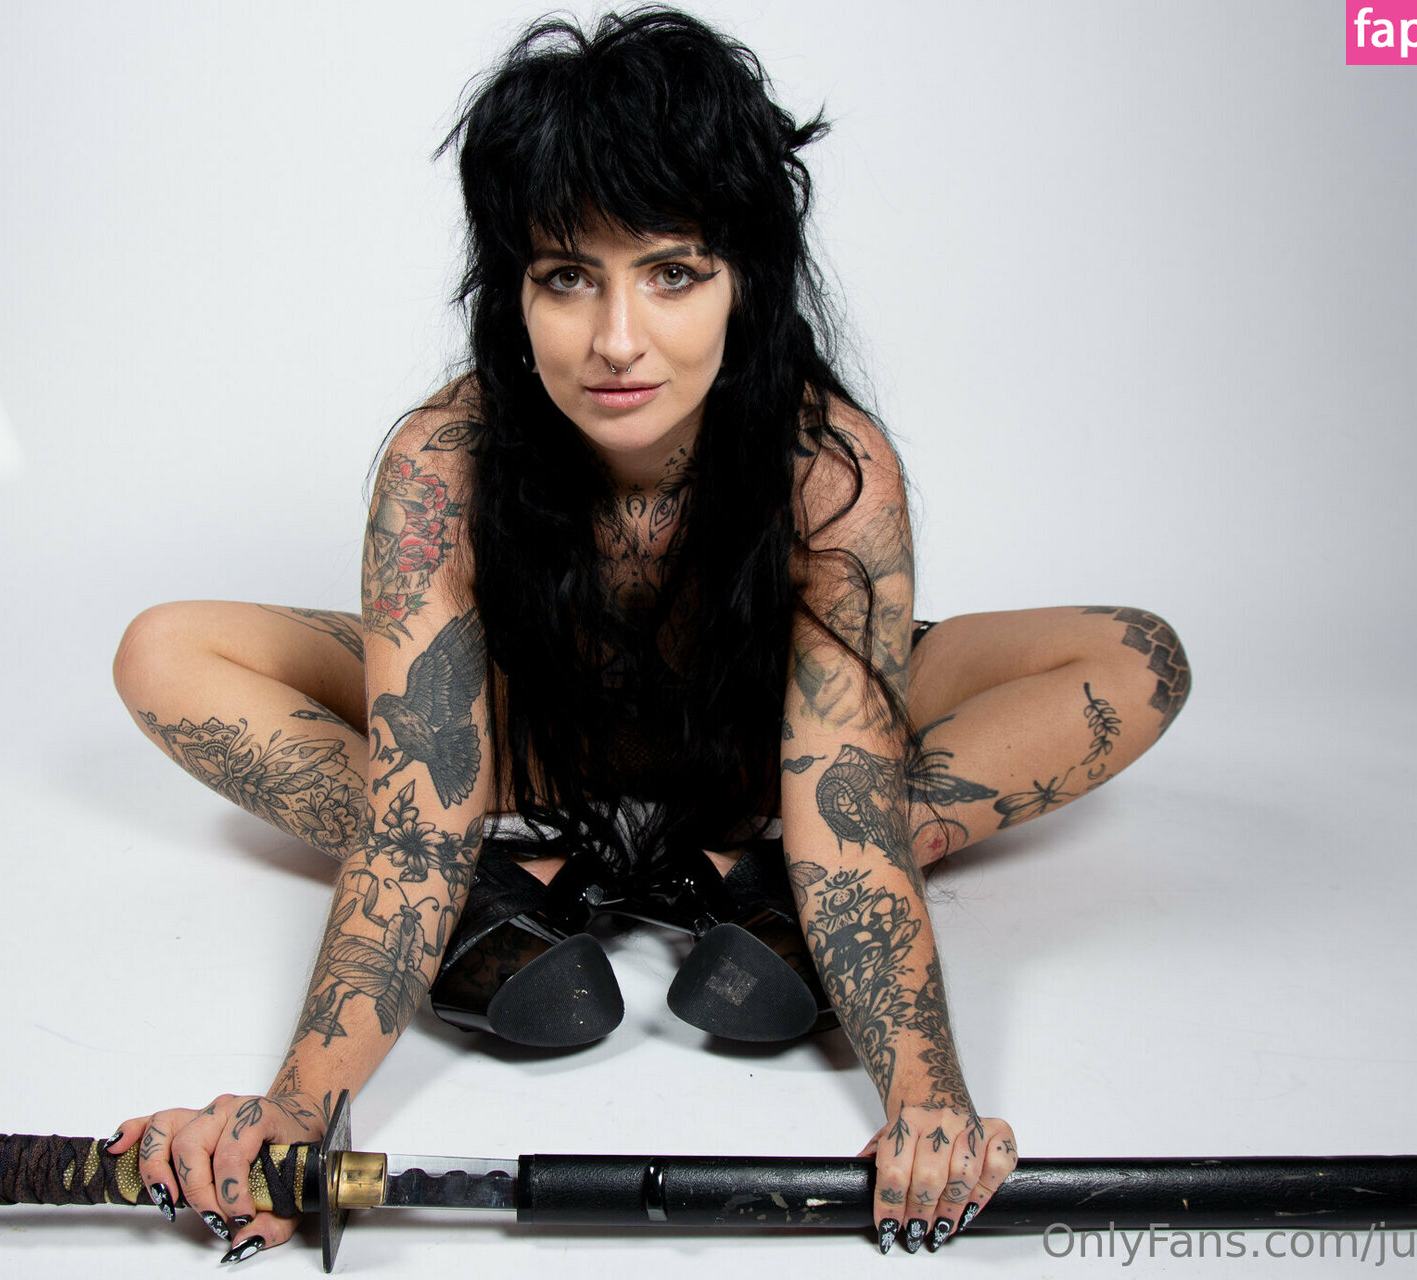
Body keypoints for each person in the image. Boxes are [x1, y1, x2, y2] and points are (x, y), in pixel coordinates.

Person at [103, 6, 1190, 1263]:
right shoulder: (441, 464)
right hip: (530, 731)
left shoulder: (828, 467)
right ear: (513, 291)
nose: (618, 339)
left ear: (745, 277)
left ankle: (774, 881)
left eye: (672, 272)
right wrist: (295, 1110)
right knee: (165, 649)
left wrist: (926, 1100)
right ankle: (491, 887)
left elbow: (848, 799)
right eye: (568, 277)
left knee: (1136, 657)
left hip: (769, 738)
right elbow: (409, 815)